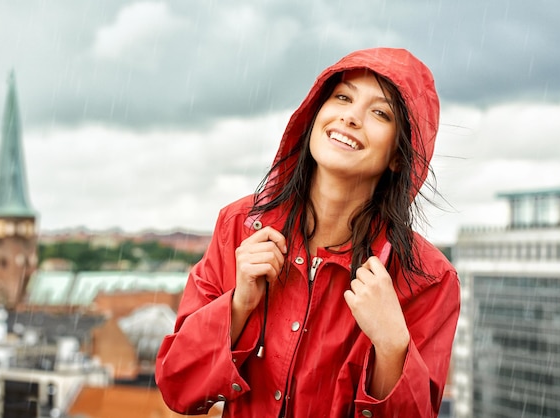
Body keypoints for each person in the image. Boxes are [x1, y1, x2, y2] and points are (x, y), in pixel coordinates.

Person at [156, 47, 460, 418]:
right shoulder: (238, 228)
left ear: (400, 155)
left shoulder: (428, 280)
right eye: (343, 97)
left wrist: (392, 345)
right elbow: (178, 386)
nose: (350, 117)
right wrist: (238, 307)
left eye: (379, 113)